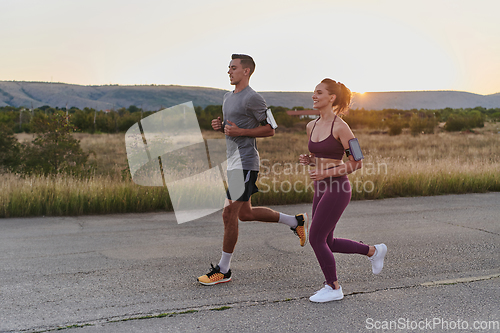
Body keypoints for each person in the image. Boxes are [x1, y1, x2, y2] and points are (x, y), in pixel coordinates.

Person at [197, 54, 309, 286]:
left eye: (234, 68)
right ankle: (295, 221)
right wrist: (221, 128)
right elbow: (234, 129)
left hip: (246, 162)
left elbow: (271, 129)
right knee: (244, 214)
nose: (229, 71)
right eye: (228, 67)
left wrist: (240, 133)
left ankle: (224, 270)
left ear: (246, 71)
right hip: (233, 162)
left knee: (228, 214)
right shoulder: (228, 97)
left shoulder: (253, 98)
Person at [299, 78, 387, 302]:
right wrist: (310, 160)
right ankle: (373, 251)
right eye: (314, 92)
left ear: (332, 98)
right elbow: (322, 157)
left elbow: (357, 163)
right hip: (320, 186)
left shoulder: (341, 127)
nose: (314, 96)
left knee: (316, 238)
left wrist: (325, 173)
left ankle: (333, 287)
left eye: (319, 92)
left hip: (338, 188)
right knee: (327, 242)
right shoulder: (311, 126)